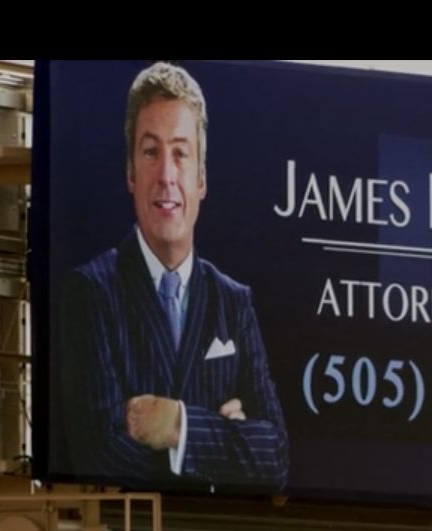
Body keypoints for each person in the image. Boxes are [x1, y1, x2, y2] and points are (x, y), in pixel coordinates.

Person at [56, 61, 289, 493]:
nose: (166, 175)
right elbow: (100, 454)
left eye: (180, 153)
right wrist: (224, 444)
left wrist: (179, 426)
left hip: (213, 530)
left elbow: (274, 456)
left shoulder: (233, 301)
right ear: (130, 172)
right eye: (151, 152)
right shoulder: (90, 292)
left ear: (201, 179)